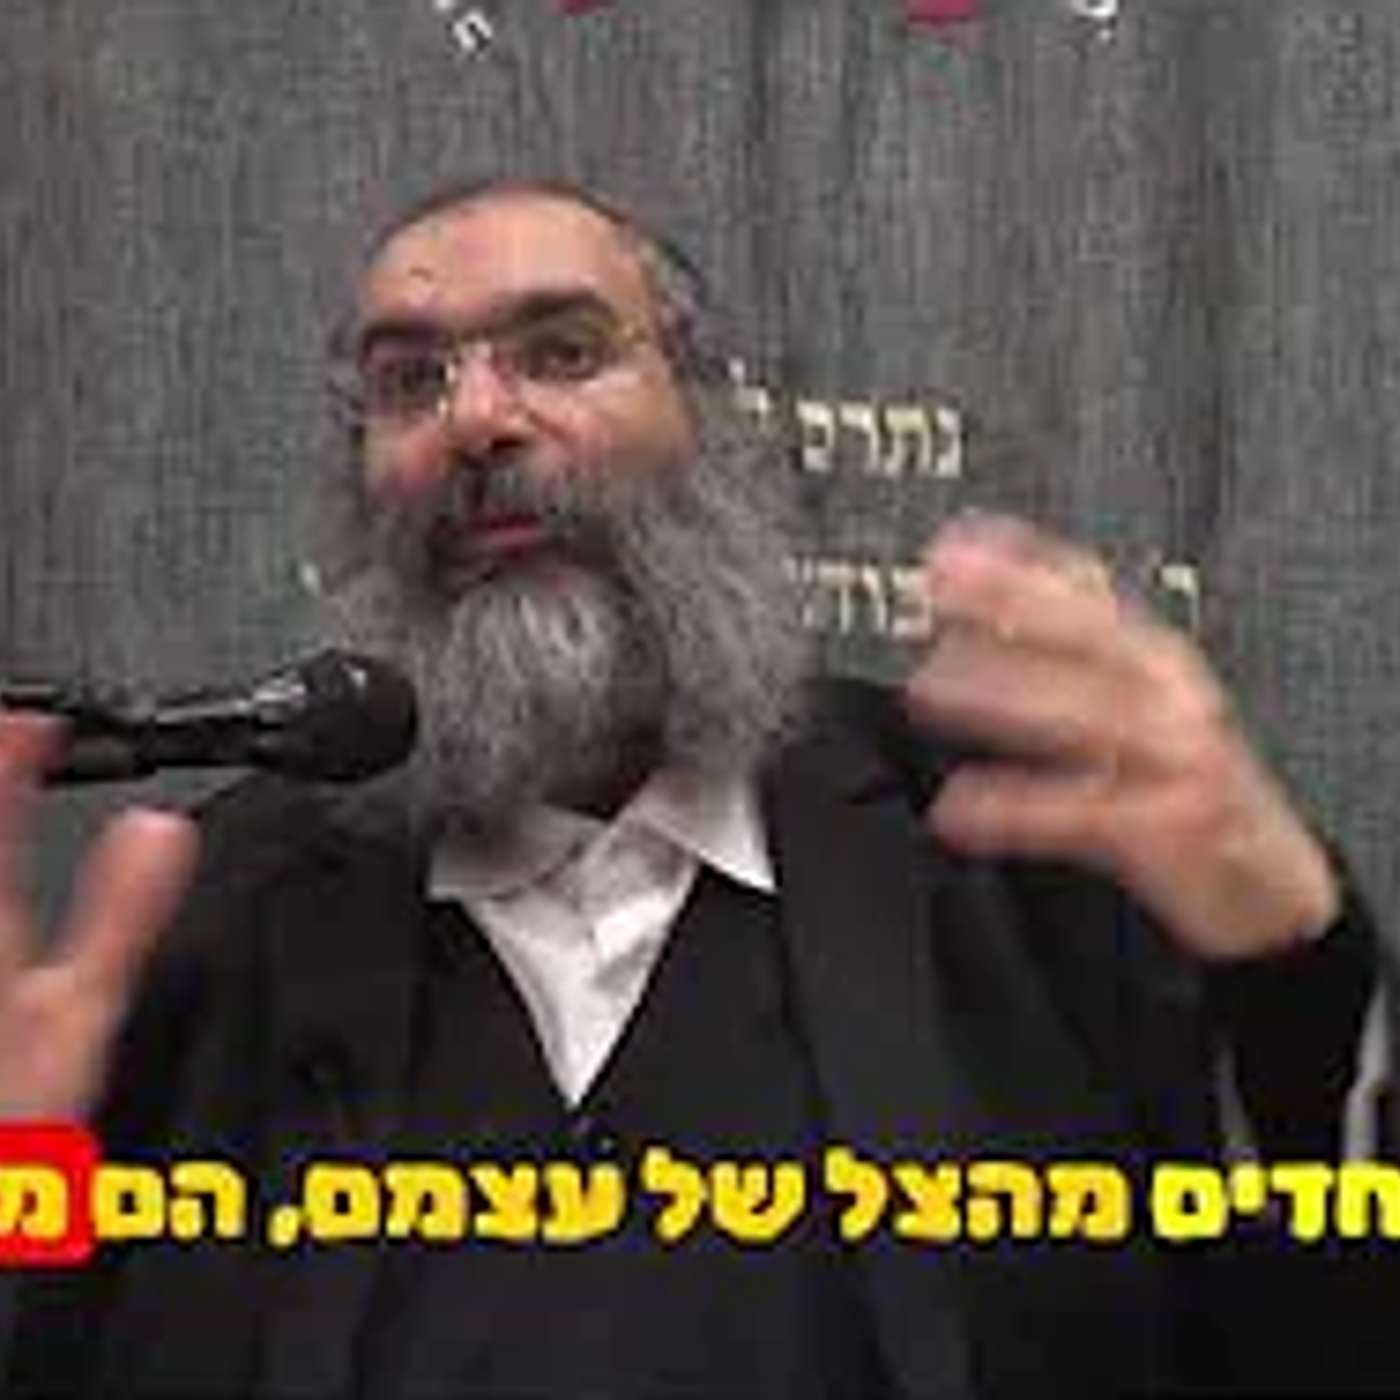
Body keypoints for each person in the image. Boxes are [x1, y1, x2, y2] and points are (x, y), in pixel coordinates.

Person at [0, 178, 1374, 1399]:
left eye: (562, 352)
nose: (477, 419)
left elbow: (1319, 1328)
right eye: (411, 381)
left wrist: (1302, 976)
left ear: (708, 424)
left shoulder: (1017, 862)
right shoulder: (210, 922)